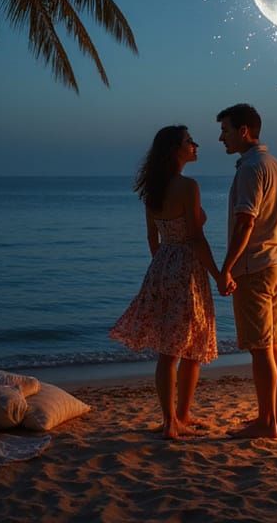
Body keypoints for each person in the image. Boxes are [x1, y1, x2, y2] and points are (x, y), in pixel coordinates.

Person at [110, 125, 220, 439]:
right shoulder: (188, 186)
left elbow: (152, 238)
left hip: (162, 266)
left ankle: (178, 416)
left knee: (178, 348)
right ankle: (173, 422)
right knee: (183, 348)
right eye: (189, 141)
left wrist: (163, 266)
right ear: (176, 149)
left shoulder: (152, 188)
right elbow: (197, 238)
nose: (195, 145)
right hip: (187, 267)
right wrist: (218, 274)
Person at [216, 103, 277, 439]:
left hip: (256, 265)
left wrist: (226, 267)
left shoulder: (250, 169)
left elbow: (246, 221)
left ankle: (266, 423)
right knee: (275, 346)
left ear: (244, 131)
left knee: (262, 349)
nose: (222, 137)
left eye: (227, 130)